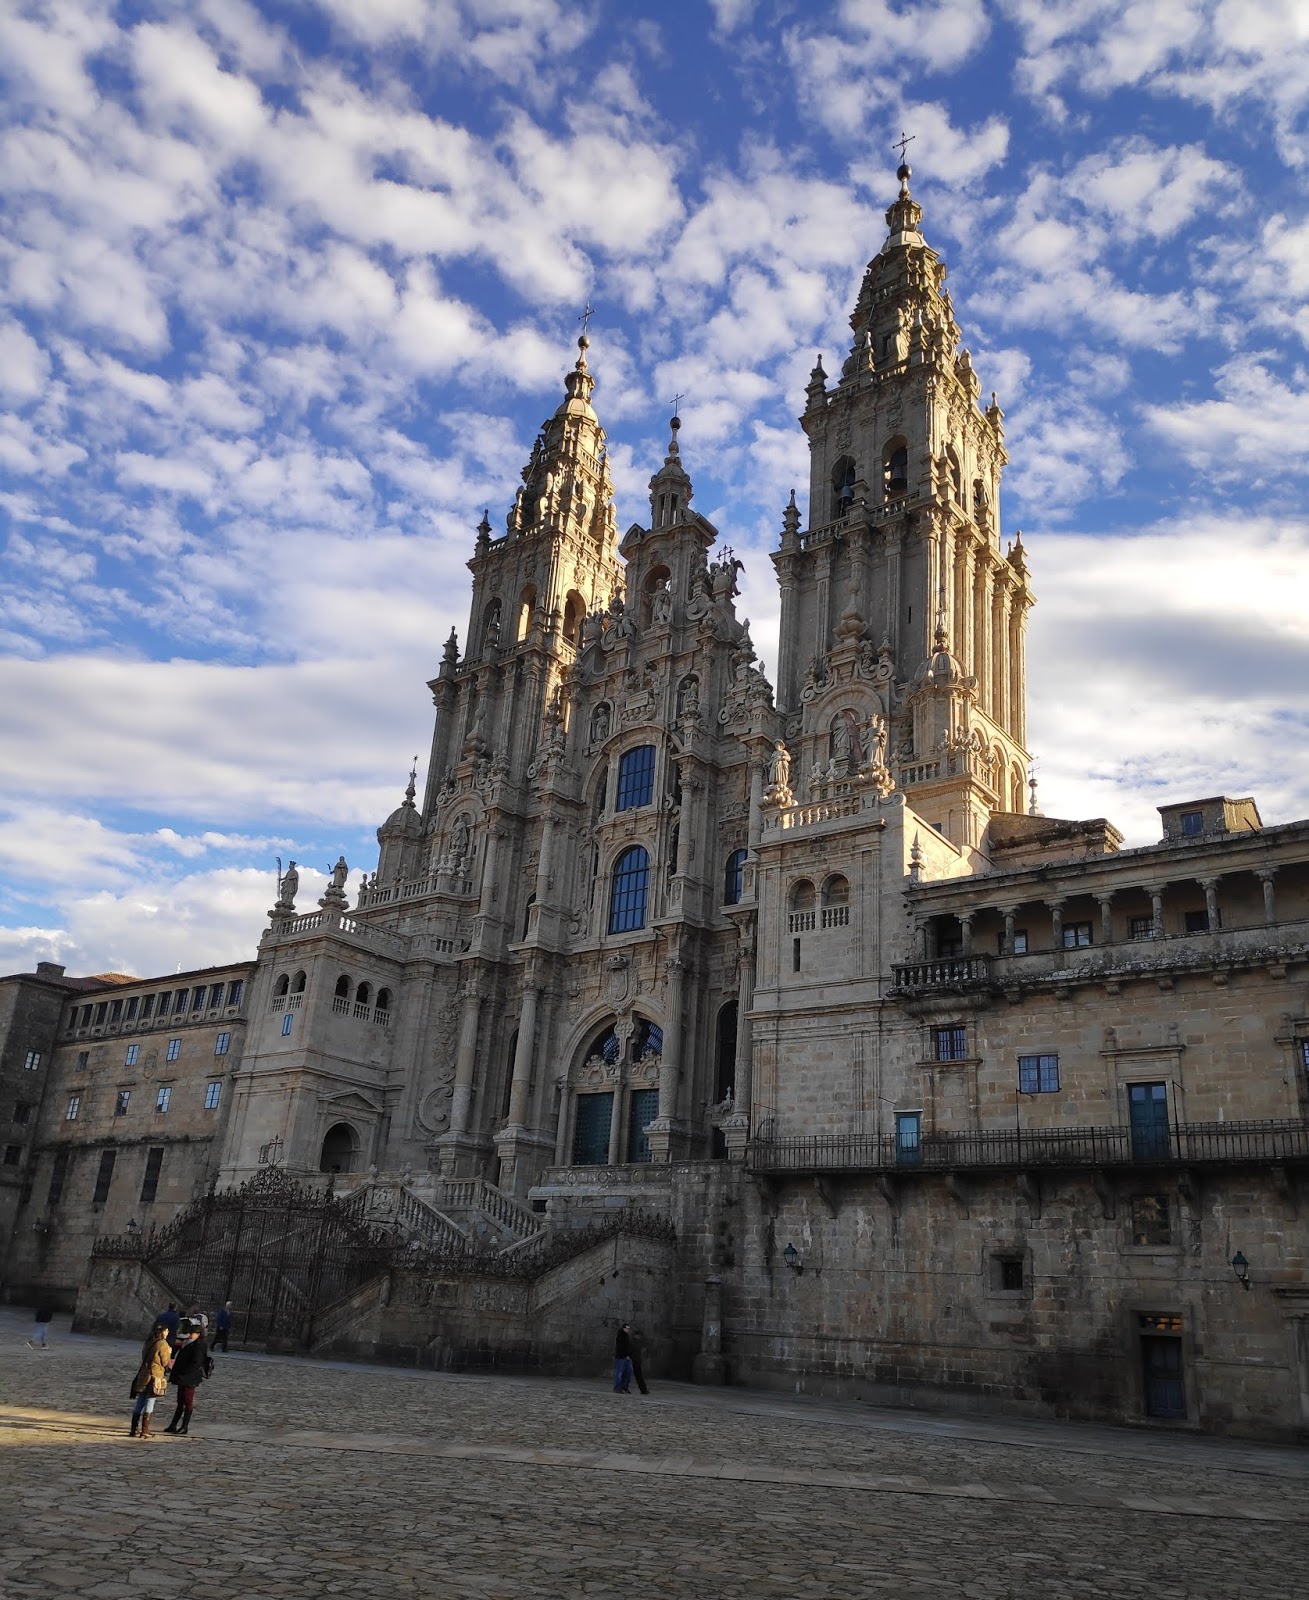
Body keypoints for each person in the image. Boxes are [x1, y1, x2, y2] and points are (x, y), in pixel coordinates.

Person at [162, 1320, 210, 1435]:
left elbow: (196, 1362)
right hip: (182, 1376)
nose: (190, 1334)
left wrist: (185, 1372)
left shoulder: (199, 1345)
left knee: (188, 1401)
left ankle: (184, 1426)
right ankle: (173, 1425)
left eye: (193, 1332)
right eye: (190, 1332)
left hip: (190, 1377)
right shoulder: (188, 1342)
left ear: (199, 1334)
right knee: (180, 1401)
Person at [129, 1320, 172, 1438]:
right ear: (162, 1332)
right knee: (150, 1401)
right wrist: (169, 1352)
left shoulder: (149, 1341)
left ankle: (133, 1429)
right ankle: (145, 1430)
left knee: (140, 1401)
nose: (168, 1332)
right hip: (155, 1375)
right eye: (166, 1330)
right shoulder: (162, 1344)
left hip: (144, 1374)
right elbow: (165, 1362)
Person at [613, 1323, 634, 1394]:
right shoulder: (620, 1336)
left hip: (628, 1357)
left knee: (629, 1371)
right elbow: (620, 1348)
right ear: (623, 1328)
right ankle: (617, 1387)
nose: (628, 1330)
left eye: (629, 1328)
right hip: (621, 1357)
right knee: (619, 1373)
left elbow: (629, 1347)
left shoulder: (627, 1336)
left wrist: (629, 1355)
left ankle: (624, 1386)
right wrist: (626, 1355)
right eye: (627, 1328)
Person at [629, 1328, 650, 1396]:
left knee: (639, 1376)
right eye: (639, 1335)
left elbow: (642, 1351)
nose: (640, 1337)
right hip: (632, 1360)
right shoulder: (632, 1342)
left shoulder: (638, 1342)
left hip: (637, 1361)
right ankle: (643, 1390)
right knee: (627, 1375)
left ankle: (644, 1390)